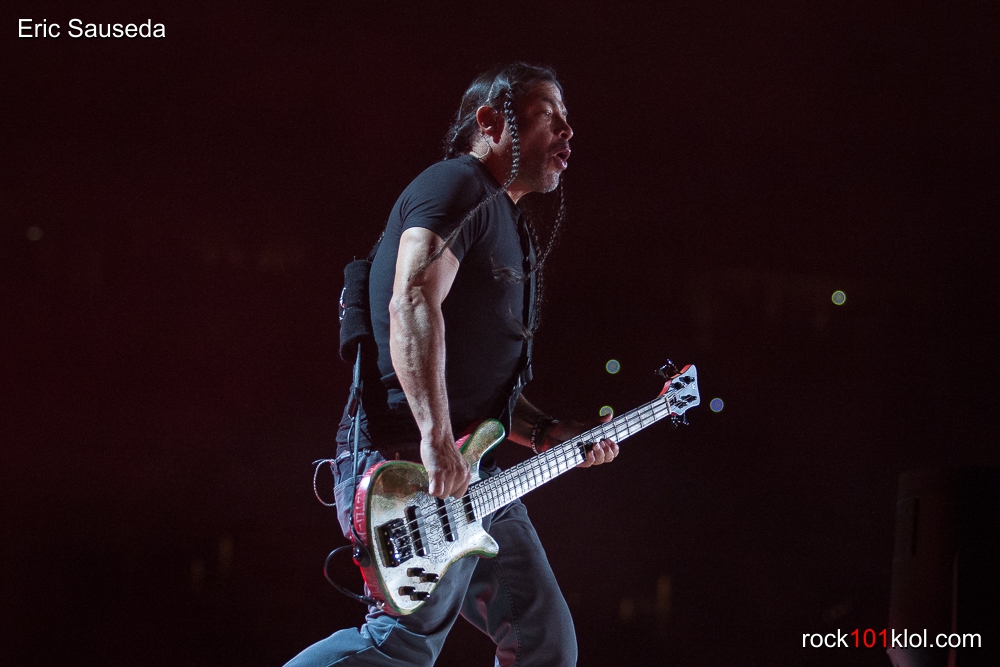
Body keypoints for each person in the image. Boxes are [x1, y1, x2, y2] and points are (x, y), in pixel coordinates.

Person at [285, 62, 618, 667]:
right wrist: (436, 439)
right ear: (491, 122)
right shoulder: (458, 185)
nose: (569, 132)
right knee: (402, 645)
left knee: (544, 641)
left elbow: (475, 382)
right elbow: (412, 299)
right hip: (408, 464)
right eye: (550, 115)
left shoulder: (504, 217)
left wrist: (545, 431)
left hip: (471, 465)